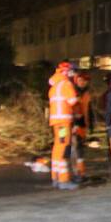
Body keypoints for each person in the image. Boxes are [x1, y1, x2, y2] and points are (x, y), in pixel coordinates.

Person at [48, 61, 79, 190]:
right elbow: (73, 102)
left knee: (57, 147)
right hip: (64, 123)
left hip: (56, 122)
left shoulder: (54, 86)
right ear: (66, 71)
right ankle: (64, 180)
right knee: (64, 148)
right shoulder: (66, 85)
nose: (73, 74)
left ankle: (55, 176)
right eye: (72, 71)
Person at [71, 71, 94, 182]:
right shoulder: (73, 92)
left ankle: (81, 172)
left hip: (83, 125)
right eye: (81, 80)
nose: (83, 82)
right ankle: (76, 173)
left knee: (80, 149)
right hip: (74, 125)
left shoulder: (86, 94)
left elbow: (89, 110)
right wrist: (73, 124)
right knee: (75, 149)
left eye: (85, 81)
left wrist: (91, 125)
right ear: (76, 80)